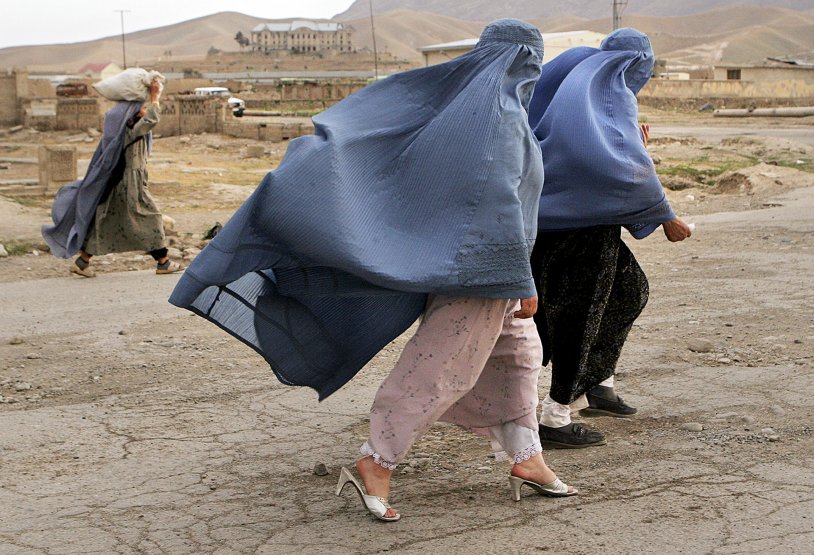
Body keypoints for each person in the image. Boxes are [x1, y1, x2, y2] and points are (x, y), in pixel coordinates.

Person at [170, 18, 575, 522]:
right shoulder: (499, 118)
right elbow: (496, 207)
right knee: (439, 368)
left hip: (475, 264)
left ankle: (526, 457)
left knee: (517, 356)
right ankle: (376, 461)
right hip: (485, 270)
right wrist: (518, 279)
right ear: (525, 62)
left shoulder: (463, 109)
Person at [526, 28, 692, 449]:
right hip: (582, 230)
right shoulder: (609, 90)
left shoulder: (571, 78)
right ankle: (555, 415)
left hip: (548, 220)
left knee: (629, 291)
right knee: (577, 318)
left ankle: (599, 383)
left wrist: (634, 146)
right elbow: (620, 168)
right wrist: (667, 217)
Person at [42, 79, 182, 276]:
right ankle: (163, 262)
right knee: (151, 217)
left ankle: (82, 262)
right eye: (141, 107)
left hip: (119, 183)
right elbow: (151, 120)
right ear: (133, 112)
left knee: (106, 221)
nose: (144, 109)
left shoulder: (122, 127)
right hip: (129, 184)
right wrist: (155, 97)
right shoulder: (131, 128)